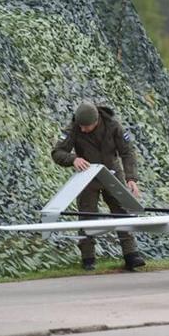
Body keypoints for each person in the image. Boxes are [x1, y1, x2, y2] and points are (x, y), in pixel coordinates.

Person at [52, 101, 146, 271]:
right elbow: (57, 152)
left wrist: (132, 179)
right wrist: (73, 159)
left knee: (122, 212)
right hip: (87, 176)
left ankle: (131, 254)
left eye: (86, 126)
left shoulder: (113, 126)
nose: (82, 130)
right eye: (80, 126)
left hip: (112, 173)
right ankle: (88, 258)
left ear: (96, 121)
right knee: (86, 214)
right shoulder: (74, 128)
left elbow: (127, 152)